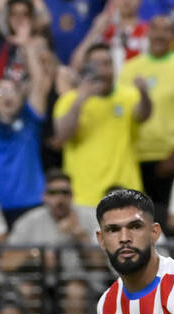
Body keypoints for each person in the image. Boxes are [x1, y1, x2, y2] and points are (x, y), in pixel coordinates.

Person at [4, 170, 106, 314]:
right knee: (26, 291)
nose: (59, 198)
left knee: (74, 291)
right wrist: (36, 255)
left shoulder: (88, 217)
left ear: (71, 195)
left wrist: (81, 239)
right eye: (53, 193)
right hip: (38, 282)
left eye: (64, 193)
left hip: (76, 282)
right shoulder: (29, 221)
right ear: (44, 196)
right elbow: (6, 262)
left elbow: (100, 264)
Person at [118, 15, 174, 219]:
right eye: (155, 29)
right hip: (136, 159)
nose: (160, 35)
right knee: (137, 221)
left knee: (170, 220)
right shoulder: (129, 69)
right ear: (147, 33)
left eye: (166, 30)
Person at [51, 42, 151, 208]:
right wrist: (80, 101)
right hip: (83, 196)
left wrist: (145, 94)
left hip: (126, 193)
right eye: (95, 64)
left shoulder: (129, 95)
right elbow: (62, 134)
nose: (102, 71)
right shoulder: (69, 100)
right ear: (86, 68)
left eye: (107, 64)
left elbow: (143, 115)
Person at [0, 23, 49, 224]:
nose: (6, 96)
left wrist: (27, 48)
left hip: (29, 202)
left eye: (11, 91)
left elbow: (39, 81)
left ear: (21, 97)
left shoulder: (30, 118)